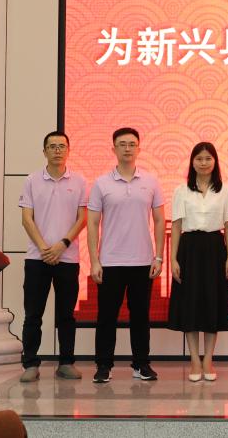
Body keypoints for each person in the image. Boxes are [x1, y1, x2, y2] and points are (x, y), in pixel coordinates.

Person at [87, 127, 165, 384]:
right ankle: (103, 365)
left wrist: (159, 257)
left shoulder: (151, 182)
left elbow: (159, 220)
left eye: (132, 144)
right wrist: (94, 261)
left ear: (139, 148)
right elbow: (93, 223)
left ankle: (141, 364)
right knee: (106, 317)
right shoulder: (101, 183)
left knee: (140, 316)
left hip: (143, 261)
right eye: (122, 144)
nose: (127, 148)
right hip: (110, 261)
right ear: (114, 149)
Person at [18, 130, 87, 382]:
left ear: (68, 150)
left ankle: (66, 362)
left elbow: (83, 218)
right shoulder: (32, 180)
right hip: (37, 259)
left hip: (67, 258)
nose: (57, 150)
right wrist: (45, 248)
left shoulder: (79, 181)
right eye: (52, 146)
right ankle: (30, 364)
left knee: (67, 315)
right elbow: (27, 219)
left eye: (61, 146)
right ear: (44, 151)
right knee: (33, 314)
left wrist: (62, 245)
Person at [167, 142, 228, 382]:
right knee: (191, 304)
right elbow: (176, 226)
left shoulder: (224, 190)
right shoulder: (181, 191)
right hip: (189, 250)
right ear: (192, 162)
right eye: (199, 159)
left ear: (215, 161)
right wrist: (173, 258)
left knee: (212, 303)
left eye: (208, 158)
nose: (203, 163)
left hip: (215, 249)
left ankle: (208, 359)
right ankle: (195, 359)